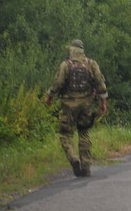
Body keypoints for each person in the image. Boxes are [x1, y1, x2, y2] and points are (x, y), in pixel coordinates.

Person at [45, 39, 108, 177]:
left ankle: (73, 158)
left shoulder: (65, 65)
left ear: (71, 50)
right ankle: (86, 167)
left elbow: (58, 83)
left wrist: (50, 96)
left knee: (65, 134)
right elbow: (100, 84)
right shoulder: (91, 64)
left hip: (68, 105)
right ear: (82, 51)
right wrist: (103, 103)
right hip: (86, 104)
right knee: (84, 133)